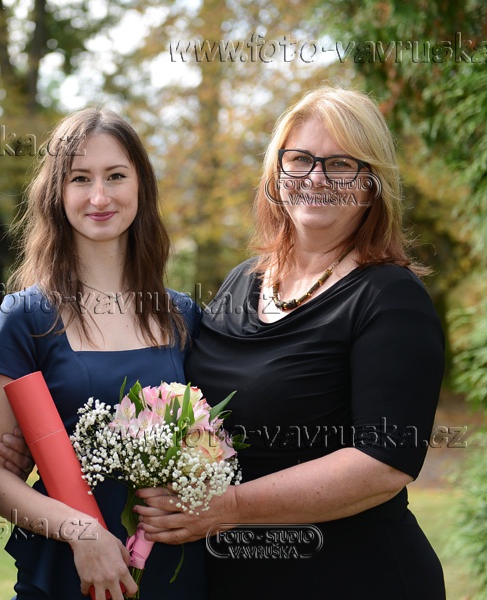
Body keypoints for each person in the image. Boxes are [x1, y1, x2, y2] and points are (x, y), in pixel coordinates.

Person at [135, 86, 446, 598]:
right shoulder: (242, 282)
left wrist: (229, 508)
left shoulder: (391, 298)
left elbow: (383, 464)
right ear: (277, 174)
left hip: (354, 579)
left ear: (371, 184)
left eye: (340, 164)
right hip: (236, 577)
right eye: (300, 159)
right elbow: (179, 400)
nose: (316, 178)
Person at [0, 107, 204, 600]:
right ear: (57, 193)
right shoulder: (27, 317)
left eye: (116, 176)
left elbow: (212, 443)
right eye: (80, 178)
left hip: (173, 570)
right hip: (67, 571)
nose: (99, 197)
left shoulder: (183, 316)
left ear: (141, 186)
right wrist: (82, 533)